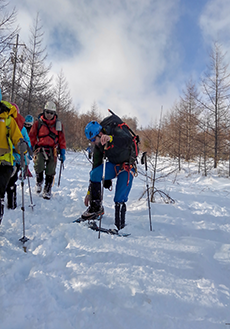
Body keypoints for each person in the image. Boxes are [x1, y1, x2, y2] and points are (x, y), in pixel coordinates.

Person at [82, 116, 138, 230]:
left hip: (127, 165)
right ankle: (96, 208)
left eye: (93, 139)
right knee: (95, 174)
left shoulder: (116, 131)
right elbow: (95, 167)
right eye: (91, 141)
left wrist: (111, 138)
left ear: (100, 133)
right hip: (113, 165)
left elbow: (127, 141)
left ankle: (120, 224)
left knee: (119, 196)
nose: (93, 143)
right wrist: (89, 192)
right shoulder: (98, 147)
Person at [29, 100, 66, 199]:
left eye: (51, 113)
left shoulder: (58, 125)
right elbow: (32, 136)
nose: (49, 114)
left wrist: (62, 151)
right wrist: (30, 147)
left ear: (54, 114)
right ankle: (39, 181)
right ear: (44, 112)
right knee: (39, 165)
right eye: (47, 112)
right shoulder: (38, 123)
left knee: (51, 169)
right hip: (40, 148)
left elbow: (62, 138)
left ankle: (48, 188)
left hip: (53, 149)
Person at [0, 99, 27, 224]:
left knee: (6, 186)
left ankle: (9, 203)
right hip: (6, 163)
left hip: (5, 163)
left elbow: (17, 137)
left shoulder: (8, 119)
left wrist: (21, 145)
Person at [6, 103, 32, 209]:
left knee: (6, 179)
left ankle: (6, 202)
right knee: (12, 180)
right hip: (17, 157)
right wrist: (26, 156)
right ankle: (12, 202)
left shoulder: (4, 123)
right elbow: (27, 142)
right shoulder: (22, 127)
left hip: (5, 155)